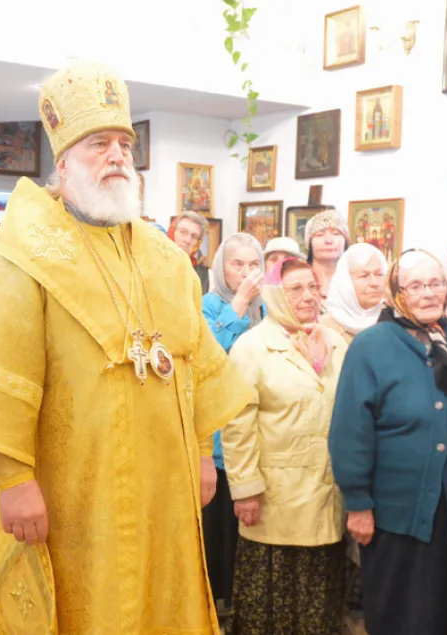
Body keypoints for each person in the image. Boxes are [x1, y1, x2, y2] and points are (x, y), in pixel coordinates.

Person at [0, 61, 251, 634]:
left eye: (125, 143)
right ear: (64, 161)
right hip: (72, 489)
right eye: (99, 143)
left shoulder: (165, 256)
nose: (118, 155)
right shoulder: (25, 255)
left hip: (162, 484)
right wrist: (16, 483)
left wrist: (199, 451)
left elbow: (193, 360)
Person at [330, 249, 447, 635]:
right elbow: (350, 430)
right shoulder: (370, 347)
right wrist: (358, 503)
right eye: (415, 286)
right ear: (395, 292)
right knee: (401, 613)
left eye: (435, 284)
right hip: (395, 514)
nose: (428, 293)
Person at [222, 257, 348, 634]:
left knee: (320, 603)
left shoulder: (335, 342)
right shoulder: (252, 347)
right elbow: (236, 422)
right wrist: (245, 490)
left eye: (312, 286)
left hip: (326, 493)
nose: (308, 296)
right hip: (275, 500)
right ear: (276, 295)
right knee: (273, 606)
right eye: (296, 288)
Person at [200, 232, 264, 618]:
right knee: (217, 524)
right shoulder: (208, 305)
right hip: (219, 432)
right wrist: (238, 305)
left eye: (253, 264)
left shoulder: (268, 308)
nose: (245, 272)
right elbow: (207, 357)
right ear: (222, 268)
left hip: (258, 427)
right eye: (237, 264)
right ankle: (212, 603)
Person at [321, 242, 386, 345]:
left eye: (379, 274)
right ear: (346, 282)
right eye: (364, 276)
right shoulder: (324, 328)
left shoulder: (393, 321)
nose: (374, 283)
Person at [304, 210, 349, 301]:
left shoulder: (356, 280)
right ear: (309, 244)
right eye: (319, 235)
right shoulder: (298, 279)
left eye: (336, 233)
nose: (328, 240)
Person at [170, 210, 211, 294]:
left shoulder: (206, 277)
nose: (187, 240)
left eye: (194, 236)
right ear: (173, 232)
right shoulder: (156, 266)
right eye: (183, 232)